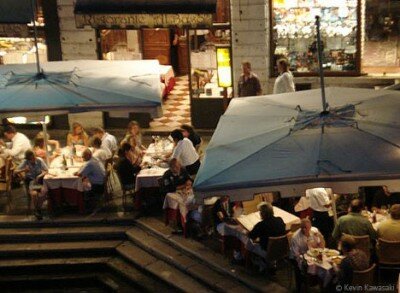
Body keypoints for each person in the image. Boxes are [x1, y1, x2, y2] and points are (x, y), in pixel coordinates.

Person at [290, 218, 325, 292]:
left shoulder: (314, 231)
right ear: (303, 229)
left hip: (314, 255)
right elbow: (296, 254)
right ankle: (308, 283)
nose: (310, 230)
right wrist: (306, 258)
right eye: (308, 229)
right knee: (309, 266)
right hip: (299, 257)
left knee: (324, 265)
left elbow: (322, 247)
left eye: (310, 227)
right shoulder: (295, 238)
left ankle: (323, 284)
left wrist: (320, 237)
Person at [14, 150, 48, 220]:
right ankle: (38, 210)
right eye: (31, 158)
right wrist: (24, 170)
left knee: (44, 192)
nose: (33, 159)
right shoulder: (25, 162)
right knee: (34, 194)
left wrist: (40, 176)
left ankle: (37, 209)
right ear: (28, 159)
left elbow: (46, 170)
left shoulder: (39, 160)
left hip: (39, 180)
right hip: (31, 181)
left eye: (34, 157)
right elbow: (15, 171)